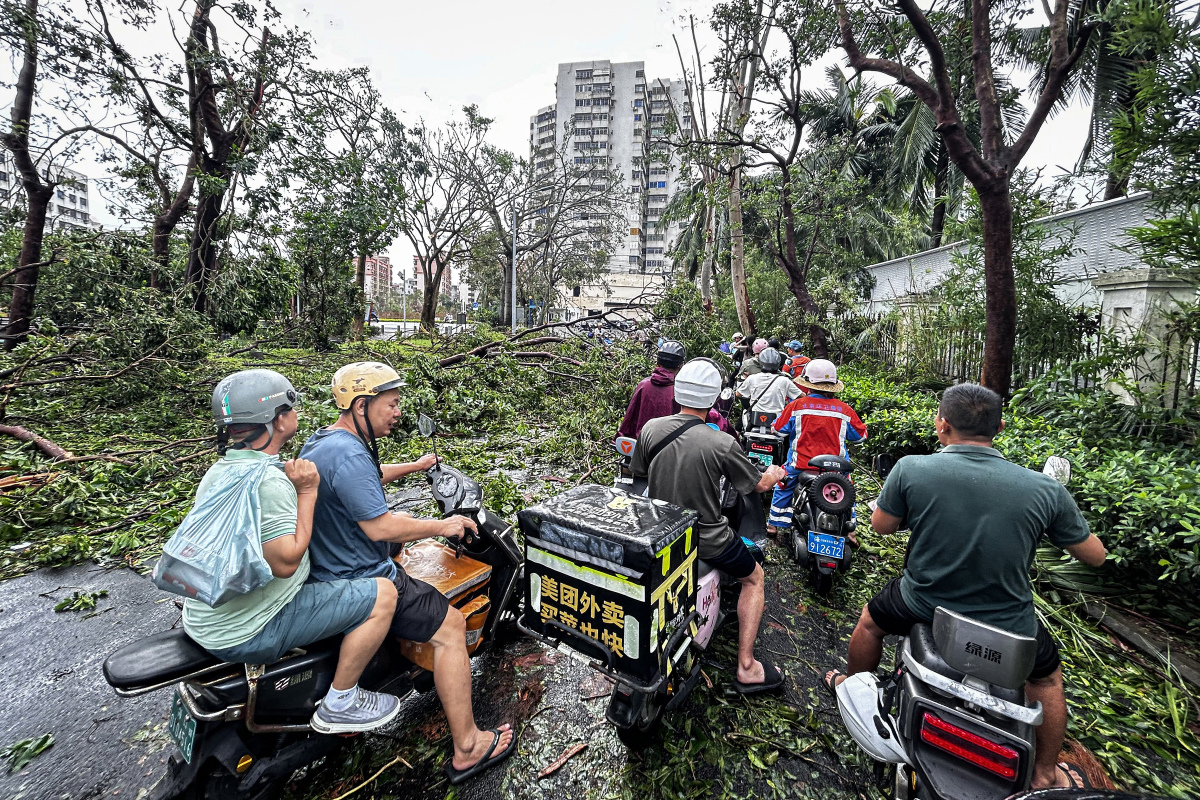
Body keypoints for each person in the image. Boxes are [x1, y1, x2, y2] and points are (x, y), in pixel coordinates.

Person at [823, 383, 1107, 790]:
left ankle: (850, 684)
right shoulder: (1046, 489)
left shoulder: (911, 469)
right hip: (1009, 625)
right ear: (1000, 427)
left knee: (870, 623)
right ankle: (1045, 772)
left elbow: (881, 526)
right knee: (1044, 679)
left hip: (922, 604)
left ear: (942, 426)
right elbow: (1095, 557)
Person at [300, 362, 515, 784]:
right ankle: (468, 746)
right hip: (363, 572)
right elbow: (379, 526)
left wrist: (416, 467)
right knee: (451, 627)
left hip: (329, 566)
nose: (398, 413)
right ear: (362, 405)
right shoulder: (348, 454)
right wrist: (441, 526)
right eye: (391, 404)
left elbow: (368, 476)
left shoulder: (326, 442)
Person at [183, 370, 401, 734]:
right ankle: (341, 701)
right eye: (291, 405)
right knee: (383, 594)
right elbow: (286, 563)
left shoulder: (223, 470)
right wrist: (308, 491)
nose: (296, 412)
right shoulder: (270, 481)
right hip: (245, 630)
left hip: (205, 617)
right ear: (279, 419)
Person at [631, 358, 788, 693]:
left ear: (678, 392)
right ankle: (747, 667)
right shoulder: (722, 443)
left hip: (661, 535)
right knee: (755, 578)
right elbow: (756, 485)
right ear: (715, 398)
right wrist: (774, 474)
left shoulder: (650, 430)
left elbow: (640, 475)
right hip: (708, 540)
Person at [767, 360, 867, 537]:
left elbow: (778, 430)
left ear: (808, 385)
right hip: (835, 470)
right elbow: (860, 437)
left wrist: (774, 426)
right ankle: (850, 532)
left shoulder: (797, 406)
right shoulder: (844, 410)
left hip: (800, 466)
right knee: (848, 492)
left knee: (782, 484)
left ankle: (774, 525)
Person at [617, 340, 734, 439]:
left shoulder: (643, 384)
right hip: (674, 447)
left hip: (642, 443)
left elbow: (629, 418)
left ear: (658, 363)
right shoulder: (681, 389)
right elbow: (703, 415)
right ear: (681, 365)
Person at [735, 347, 803, 417]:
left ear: (761, 362)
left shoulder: (752, 378)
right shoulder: (784, 380)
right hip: (776, 420)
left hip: (756, 417)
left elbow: (738, 394)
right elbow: (801, 396)